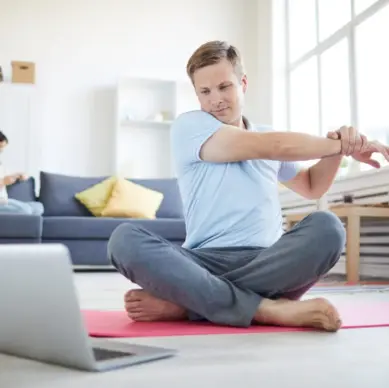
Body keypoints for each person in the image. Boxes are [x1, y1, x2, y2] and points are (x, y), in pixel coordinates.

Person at [107, 41, 389, 332]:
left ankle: (190, 304)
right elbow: (271, 145)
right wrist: (340, 143)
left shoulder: (265, 134)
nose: (215, 99)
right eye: (205, 92)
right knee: (123, 239)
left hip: (269, 262)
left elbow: (311, 185)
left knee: (328, 228)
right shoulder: (189, 127)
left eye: (224, 87)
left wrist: (338, 150)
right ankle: (266, 308)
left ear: (242, 83)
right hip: (203, 262)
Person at [0, 131, 43, 215]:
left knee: (38, 207)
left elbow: (6, 177)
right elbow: (3, 180)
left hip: (4, 201)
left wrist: (19, 175)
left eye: (2, 148)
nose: (1, 151)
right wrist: (3, 182)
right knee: (25, 210)